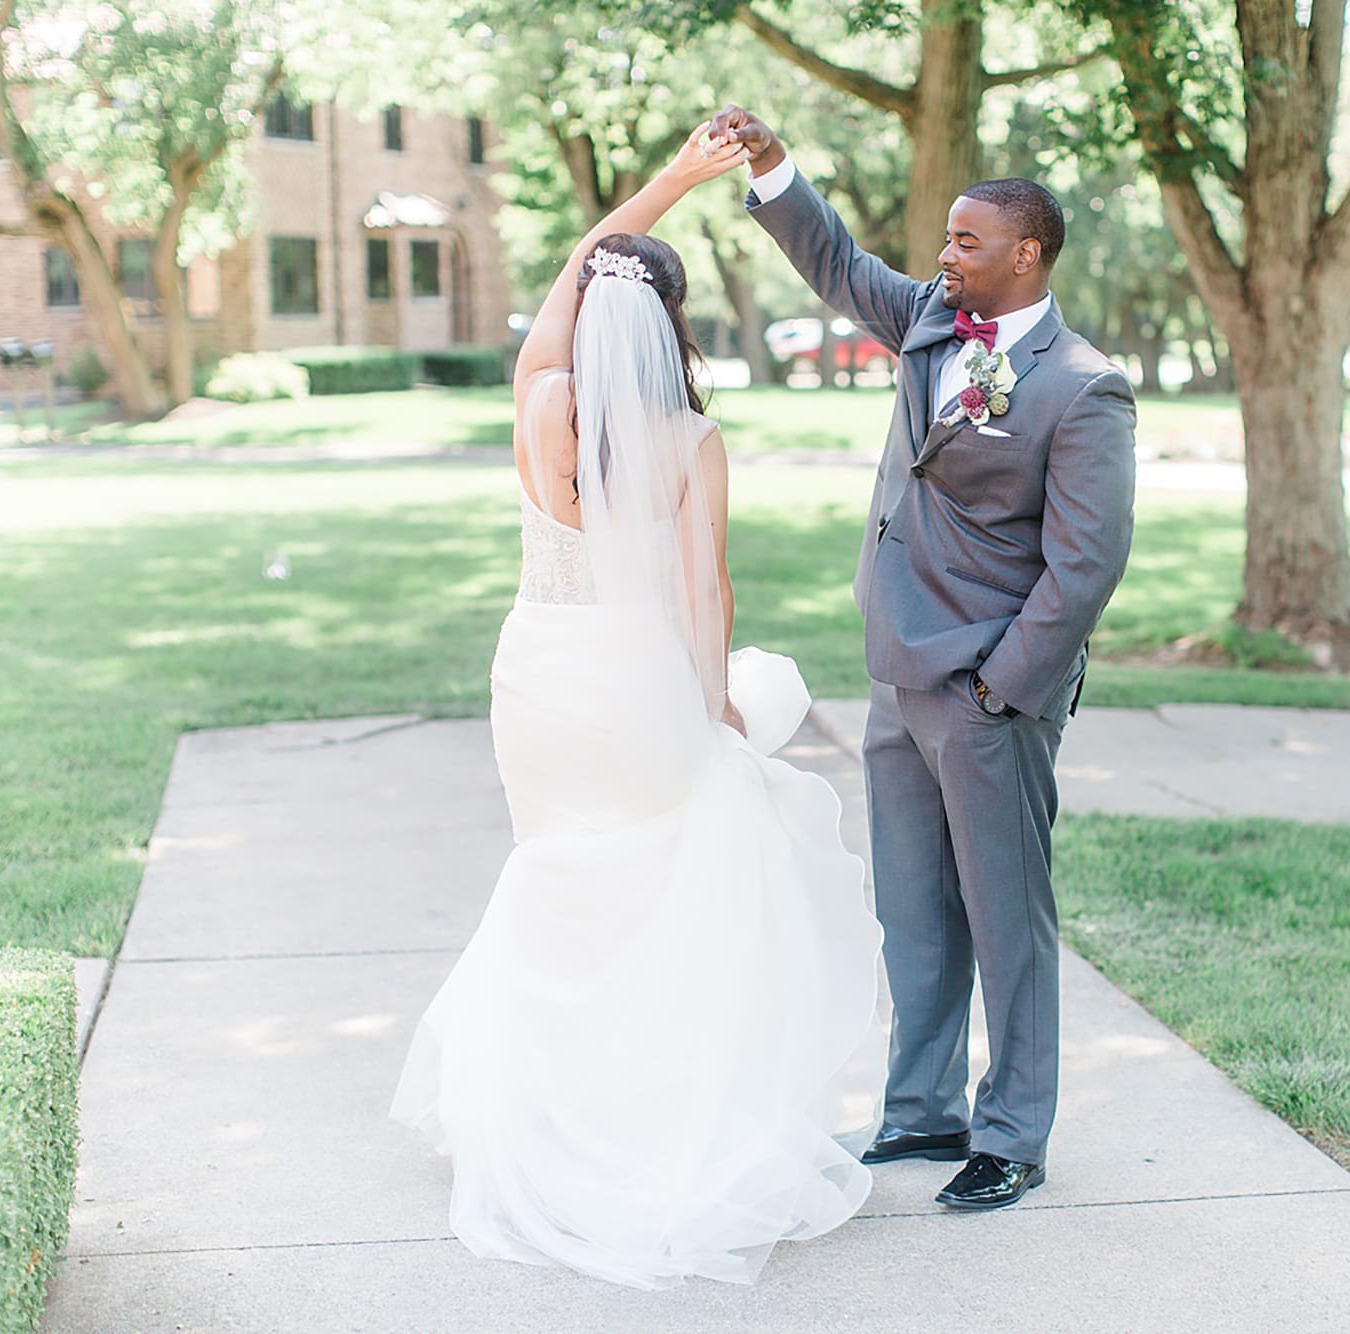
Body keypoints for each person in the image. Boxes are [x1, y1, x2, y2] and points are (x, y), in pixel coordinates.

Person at [390, 123, 886, 1290]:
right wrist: (713, 702)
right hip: (631, 676)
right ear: (670, 327)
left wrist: (660, 185)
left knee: (558, 869)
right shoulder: (688, 438)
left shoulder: (533, 399)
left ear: (579, 308)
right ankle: (658, 1105)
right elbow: (708, 591)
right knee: (671, 871)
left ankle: (547, 1108)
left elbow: (589, 271)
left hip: (536, 673)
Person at [712, 105, 1137, 1211]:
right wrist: (771, 163)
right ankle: (921, 1107)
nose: (943, 256)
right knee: (911, 906)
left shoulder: (1081, 386)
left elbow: (1083, 565)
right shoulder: (928, 322)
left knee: (1005, 919)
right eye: (944, 241)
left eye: (964, 241)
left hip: (989, 689)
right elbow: (835, 260)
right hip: (897, 675)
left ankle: (1011, 1132)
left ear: (1024, 253)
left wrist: (1004, 684)